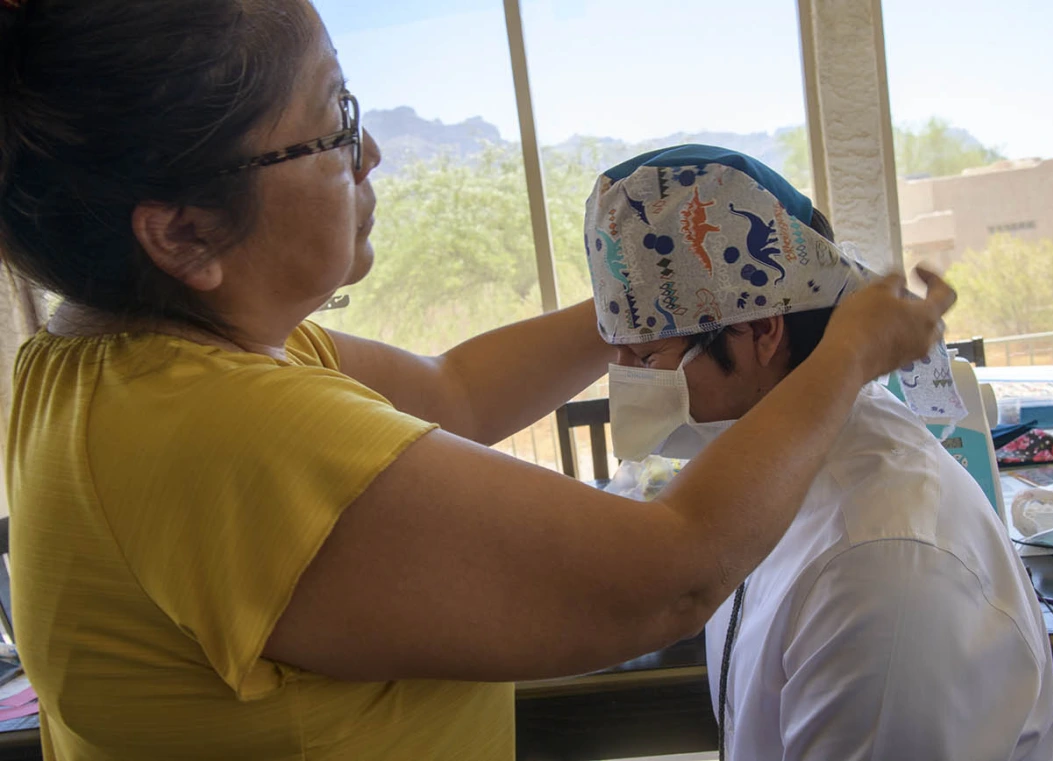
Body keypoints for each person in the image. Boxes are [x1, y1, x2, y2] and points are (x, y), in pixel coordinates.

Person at [0, 3, 954, 759]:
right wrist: (848, 357)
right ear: (183, 232)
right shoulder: (220, 433)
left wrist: (662, 283)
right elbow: (668, 574)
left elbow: (454, 390)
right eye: (333, 122)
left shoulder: (100, 364)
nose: (367, 152)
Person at [585, 144, 1053, 761]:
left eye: (647, 359)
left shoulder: (879, 562)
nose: (626, 382)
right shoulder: (765, 472)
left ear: (759, 332)